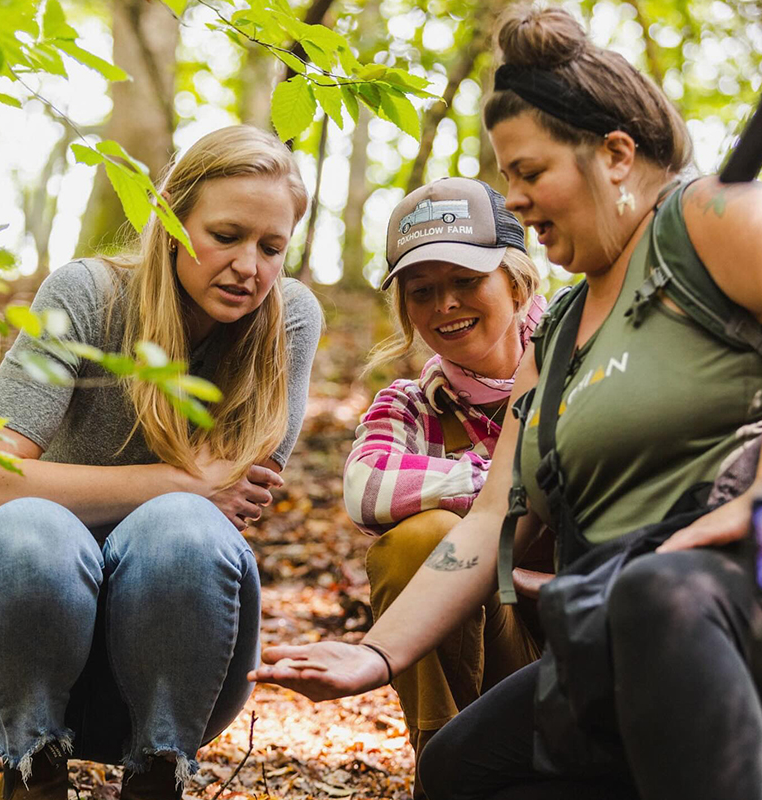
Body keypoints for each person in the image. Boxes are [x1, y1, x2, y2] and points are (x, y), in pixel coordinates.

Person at [250, 6, 762, 799]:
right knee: (460, 770)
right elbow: (491, 520)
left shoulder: (707, 225)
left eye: (529, 173)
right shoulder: (556, 337)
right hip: (608, 627)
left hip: (721, 598)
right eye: (507, 177)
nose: (516, 199)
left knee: (658, 599)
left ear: (617, 154)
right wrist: (377, 654)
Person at [0, 125, 322, 800]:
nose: (250, 266)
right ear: (169, 221)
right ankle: (31, 772)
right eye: (226, 235)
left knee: (182, 528)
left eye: (271, 247)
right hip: (18, 642)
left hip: (177, 654)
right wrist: (184, 480)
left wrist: (186, 496)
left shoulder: (287, 319)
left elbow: (234, 501)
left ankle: (158, 775)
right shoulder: (87, 296)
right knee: (28, 528)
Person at [343, 177, 550, 798]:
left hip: (592, 646)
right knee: (418, 538)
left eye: (466, 281)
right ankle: (441, 769)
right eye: (422, 291)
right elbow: (366, 489)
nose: (445, 305)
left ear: (516, 282)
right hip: (498, 646)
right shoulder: (410, 403)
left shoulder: (586, 369)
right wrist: (498, 485)